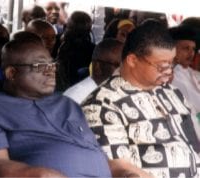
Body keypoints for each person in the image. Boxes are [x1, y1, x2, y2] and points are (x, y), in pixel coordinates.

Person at [0, 36, 115, 177]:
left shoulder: (68, 104)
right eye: (40, 66)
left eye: (52, 65)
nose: (50, 71)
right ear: (12, 73)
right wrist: (37, 174)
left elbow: (96, 151)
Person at [82, 20, 200, 178]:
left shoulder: (172, 92)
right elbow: (118, 167)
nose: (169, 71)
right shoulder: (102, 104)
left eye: (171, 64)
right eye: (161, 66)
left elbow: (193, 142)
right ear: (132, 60)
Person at [63, 38, 123, 104]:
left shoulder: (117, 90)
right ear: (97, 67)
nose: (124, 71)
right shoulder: (75, 98)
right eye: (118, 65)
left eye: (125, 66)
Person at [169, 25, 200, 141]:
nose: (191, 53)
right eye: (186, 48)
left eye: (193, 49)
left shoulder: (189, 71)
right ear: (173, 48)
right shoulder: (171, 75)